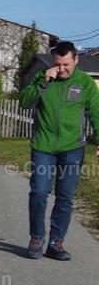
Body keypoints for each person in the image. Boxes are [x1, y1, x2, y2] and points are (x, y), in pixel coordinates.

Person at [19, 41, 99, 260]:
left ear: (76, 60)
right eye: (57, 64)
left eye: (66, 64)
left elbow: (96, 112)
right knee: (39, 192)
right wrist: (43, 82)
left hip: (72, 148)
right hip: (43, 148)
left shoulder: (85, 83)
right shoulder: (42, 77)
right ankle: (37, 238)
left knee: (65, 197)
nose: (61, 69)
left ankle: (56, 243)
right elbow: (24, 102)